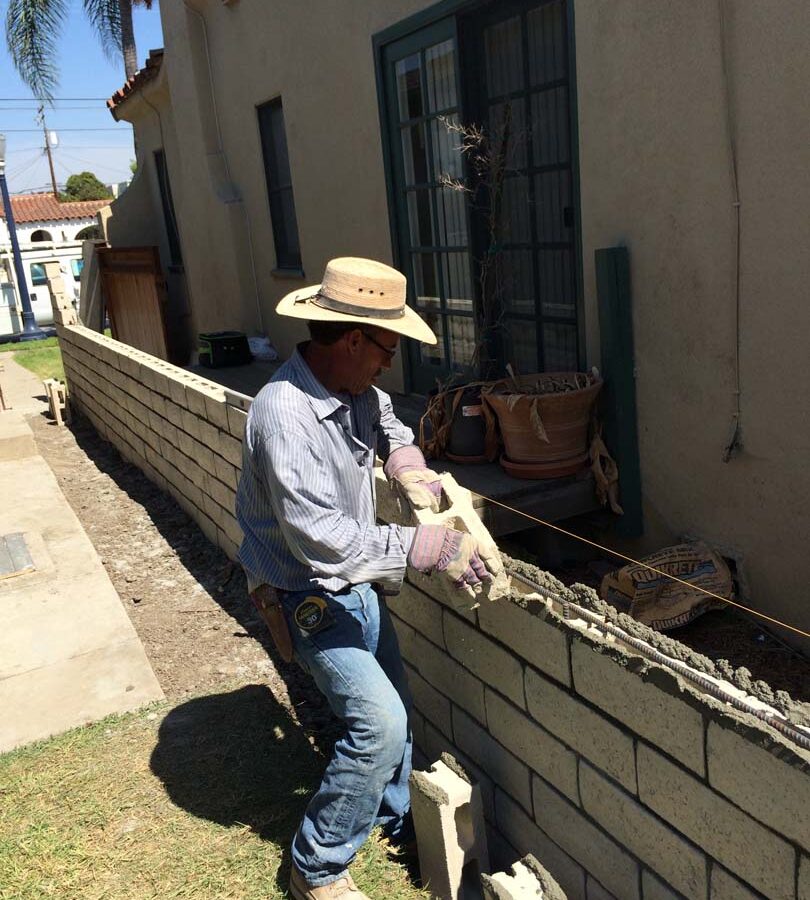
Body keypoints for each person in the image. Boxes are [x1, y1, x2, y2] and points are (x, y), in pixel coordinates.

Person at [236, 257, 502, 900]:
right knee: (379, 724)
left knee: (396, 710)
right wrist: (428, 546)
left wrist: (408, 465)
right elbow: (321, 541)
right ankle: (315, 867)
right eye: (388, 347)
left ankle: (384, 817)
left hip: (357, 582)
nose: (391, 362)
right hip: (305, 591)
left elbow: (388, 424)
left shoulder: (356, 390)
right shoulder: (286, 417)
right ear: (353, 339)